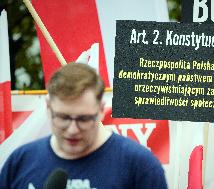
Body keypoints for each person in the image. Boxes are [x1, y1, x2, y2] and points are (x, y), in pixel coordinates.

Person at [0, 63, 168, 189]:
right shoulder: (20, 162)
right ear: (48, 108)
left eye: (83, 119)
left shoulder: (140, 166)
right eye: (63, 117)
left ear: (101, 110)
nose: (73, 129)